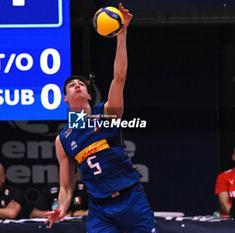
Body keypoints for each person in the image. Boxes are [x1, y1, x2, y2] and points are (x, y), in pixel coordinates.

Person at [44, 3, 158, 233]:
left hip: (130, 199)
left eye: (80, 85)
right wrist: (62, 208)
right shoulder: (63, 139)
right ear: (65, 99)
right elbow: (67, 185)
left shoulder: (106, 114)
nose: (76, 87)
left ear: (88, 93)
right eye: (71, 86)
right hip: (99, 208)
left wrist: (122, 33)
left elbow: (119, 76)